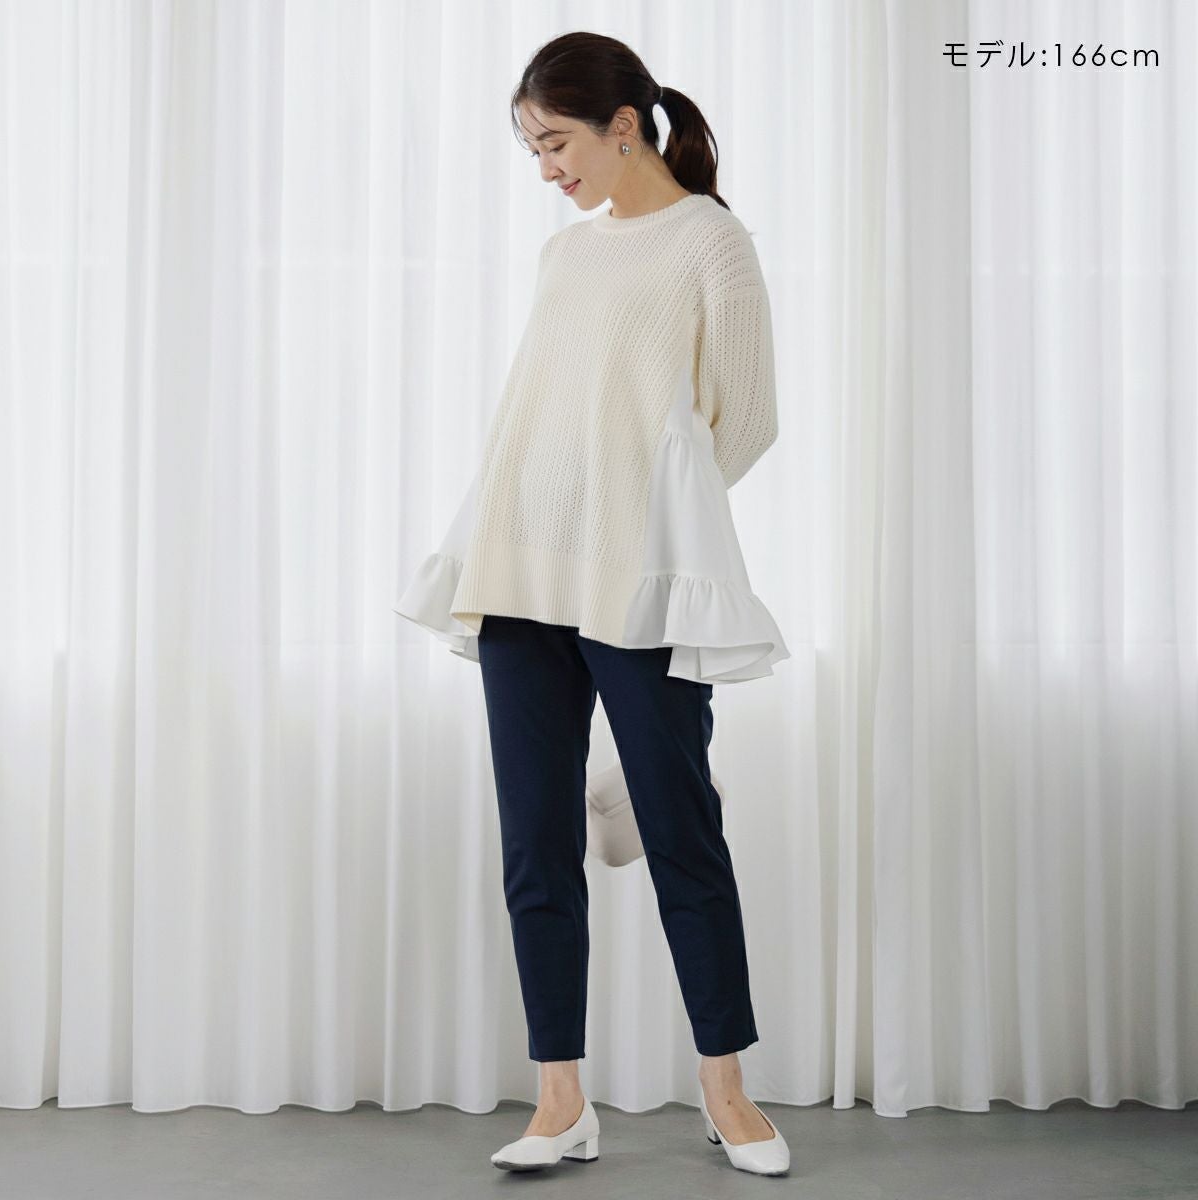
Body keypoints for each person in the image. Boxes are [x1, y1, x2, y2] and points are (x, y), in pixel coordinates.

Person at [393, 31, 790, 1177]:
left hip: (637, 583)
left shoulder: (710, 243)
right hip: (520, 568)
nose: (547, 168)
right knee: (536, 842)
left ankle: (727, 1093)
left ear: (623, 126)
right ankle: (560, 1101)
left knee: (681, 836)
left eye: (555, 142)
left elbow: (748, 421)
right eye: (530, 149)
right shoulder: (564, 256)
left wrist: (652, 520)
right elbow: (543, 409)